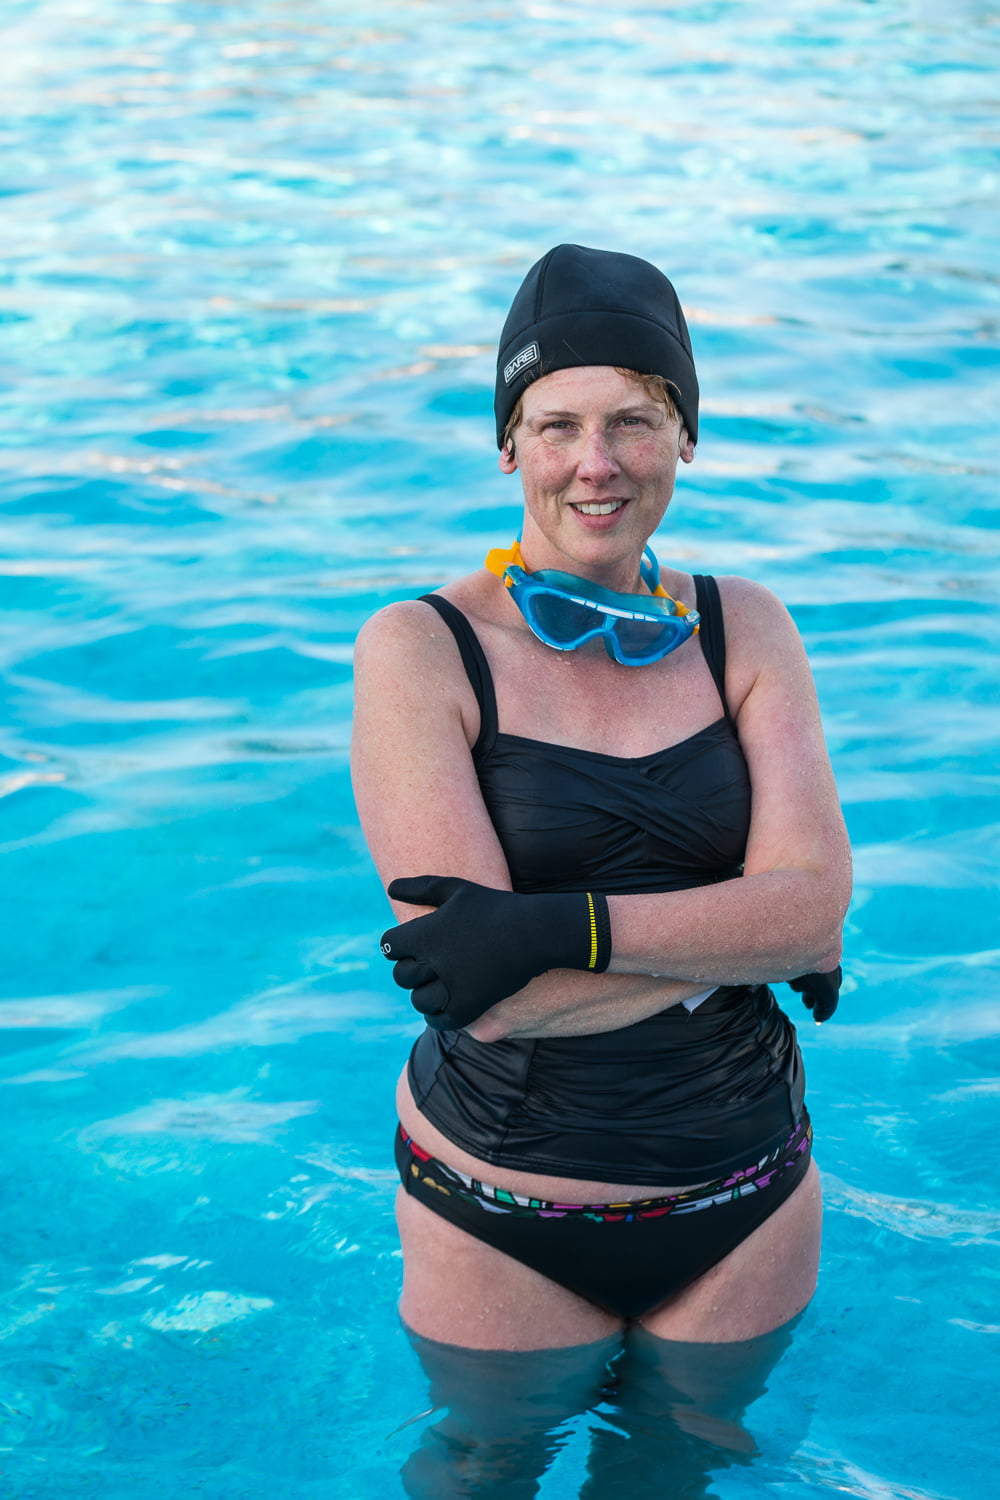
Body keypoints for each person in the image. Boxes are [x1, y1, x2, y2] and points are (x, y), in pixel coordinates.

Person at [351, 244, 851, 1489]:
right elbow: (491, 994)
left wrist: (557, 928)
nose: (597, 461)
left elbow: (815, 908)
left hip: (747, 1193)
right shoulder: (420, 652)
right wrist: (744, 932)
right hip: (506, 1213)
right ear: (507, 444)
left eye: (636, 419)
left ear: (684, 435)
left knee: (679, 1469)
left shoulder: (748, 624)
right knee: (484, 1464)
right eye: (557, 422)